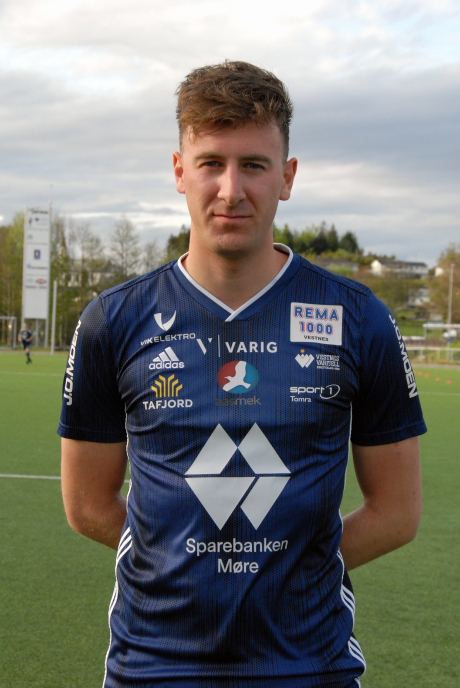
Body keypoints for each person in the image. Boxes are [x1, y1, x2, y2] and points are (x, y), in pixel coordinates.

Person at [59, 61, 426, 688]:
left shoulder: (357, 318)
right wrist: (180, 561)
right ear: (180, 171)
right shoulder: (113, 321)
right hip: (153, 667)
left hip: (311, 668)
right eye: (211, 163)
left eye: (254, 165)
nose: (231, 190)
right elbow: (87, 504)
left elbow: (396, 512)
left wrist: (292, 568)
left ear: (287, 177)